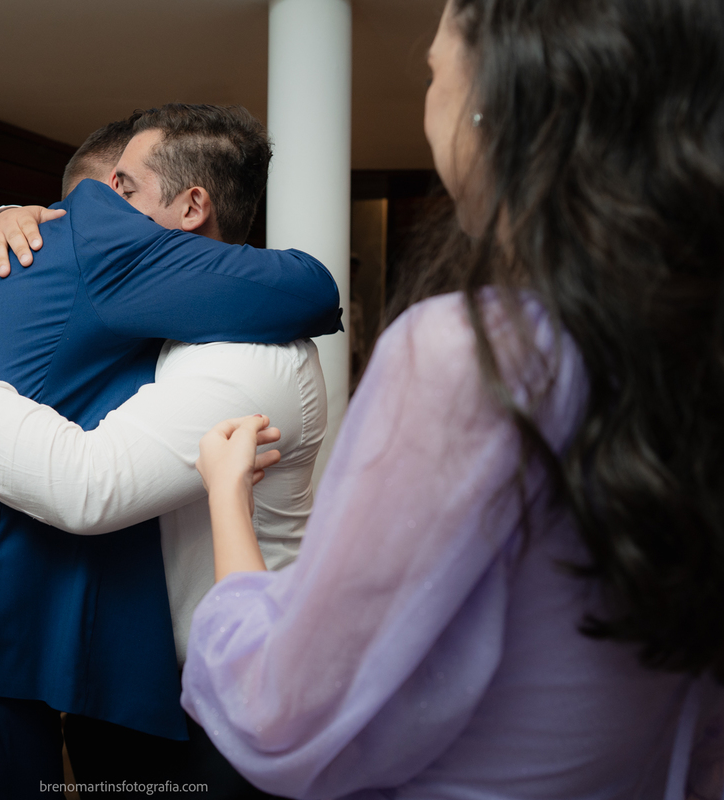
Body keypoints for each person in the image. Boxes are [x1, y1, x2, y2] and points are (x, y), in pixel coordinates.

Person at [184, 0, 724, 796]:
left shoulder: (477, 355)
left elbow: (282, 711)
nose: (428, 102)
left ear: (494, 105)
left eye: (435, 73)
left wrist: (226, 497)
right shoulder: (689, 348)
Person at [0, 104, 343, 799]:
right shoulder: (119, 279)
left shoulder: (242, 346)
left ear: (193, 206)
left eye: (123, 189)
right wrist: (0, 220)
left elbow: (90, 484)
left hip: (220, 693)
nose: (92, 206)